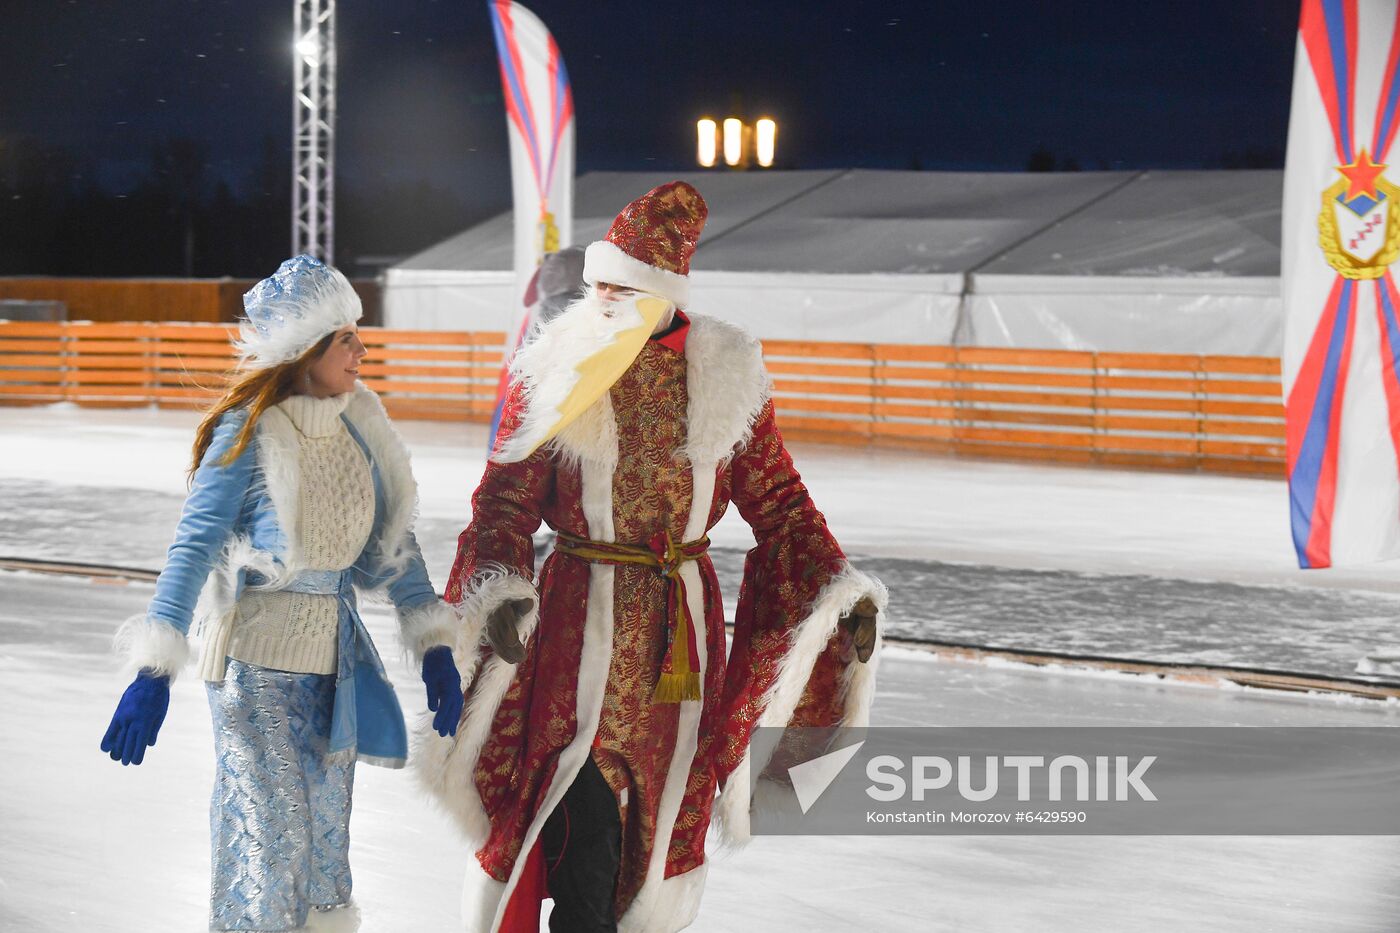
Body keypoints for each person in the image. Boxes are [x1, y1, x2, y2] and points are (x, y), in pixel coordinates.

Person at [416, 182, 886, 933]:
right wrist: (499, 591)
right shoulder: (554, 368)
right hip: (576, 633)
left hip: (681, 646)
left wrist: (842, 592)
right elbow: (503, 499)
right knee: (580, 822)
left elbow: (782, 505)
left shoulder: (726, 375)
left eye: (614, 287)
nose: (595, 298)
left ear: (658, 294)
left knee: (657, 818)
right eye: (594, 283)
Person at [99, 255, 466, 932]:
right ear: (306, 349)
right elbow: (195, 543)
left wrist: (433, 640)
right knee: (276, 855)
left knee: (326, 859)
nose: (362, 348)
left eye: (359, 333)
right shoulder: (250, 429)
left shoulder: (362, 424)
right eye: (346, 337)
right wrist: (154, 666)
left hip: (335, 673)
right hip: (254, 672)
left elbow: (393, 543)